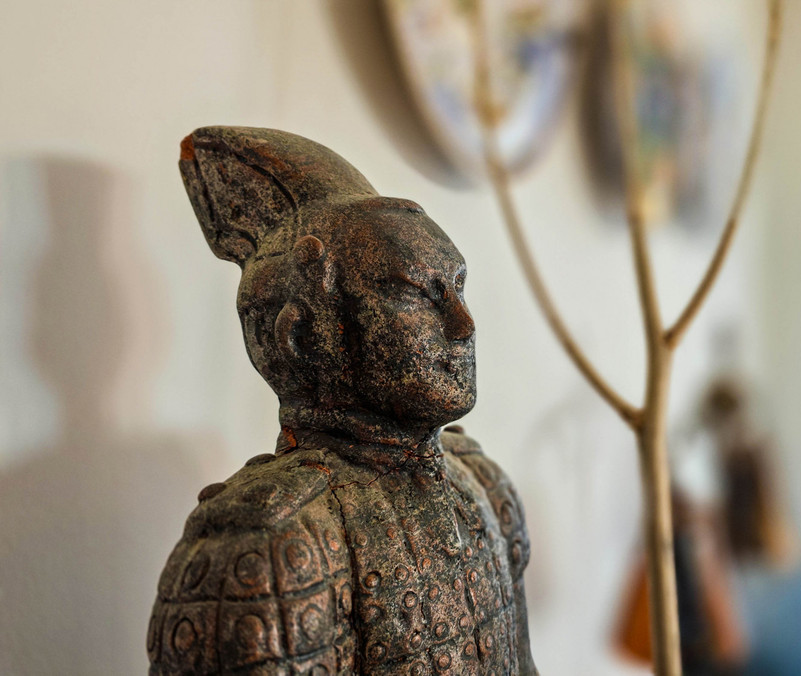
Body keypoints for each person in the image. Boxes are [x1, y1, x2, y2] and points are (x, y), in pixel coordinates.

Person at [148, 127, 536, 675]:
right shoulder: (273, 544)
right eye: (415, 293)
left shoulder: (484, 489)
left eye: (456, 286)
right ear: (305, 337)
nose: (463, 325)